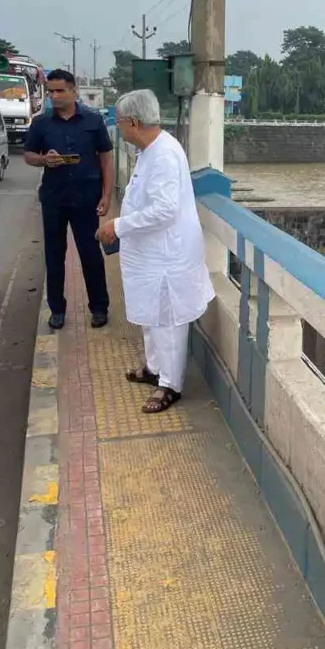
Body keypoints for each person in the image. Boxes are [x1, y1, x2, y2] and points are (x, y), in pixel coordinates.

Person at [96, 89, 214, 413]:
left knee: (167, 321)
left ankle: (170, 385)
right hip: (151, 255)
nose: (118, 129)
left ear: (133, 122)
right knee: (151, 315)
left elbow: (164, 210)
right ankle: (153, 368)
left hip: (167, 257)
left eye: (119, 123)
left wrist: (117, 226)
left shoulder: (163, 154)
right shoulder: (150, 150)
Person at [24, 69, 113, 330]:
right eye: (51, 91)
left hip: (87, 199)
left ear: (74, 91)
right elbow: (29, 154)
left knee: (90, 254)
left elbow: (106, 159)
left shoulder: (93, 120)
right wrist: (43, 160)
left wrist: (107, 196)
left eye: (60, 90)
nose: (55, 96)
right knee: (54, 255)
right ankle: (57, 310)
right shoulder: (41, 123)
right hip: (54, 198)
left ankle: (99, 307)